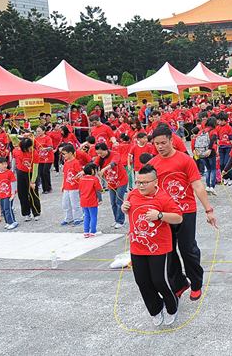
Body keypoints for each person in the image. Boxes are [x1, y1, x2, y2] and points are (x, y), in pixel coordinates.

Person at [147, 124, 218, 301]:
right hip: (165, 214)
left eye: (163, 142)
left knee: (188, 249)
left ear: (172, 140)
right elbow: (145, 189)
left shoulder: (185, 160)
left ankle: (196, 283)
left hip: (186, 211)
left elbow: (197, 185)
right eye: (157, 144)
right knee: (168, 252)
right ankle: (179, 284)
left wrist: (208, 210)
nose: (160, 146)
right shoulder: (152, 164)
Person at [121, 165, 183, 327]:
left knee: (159, 281)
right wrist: (124, 208)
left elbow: (178, 218)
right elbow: (129, 211)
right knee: (142, 281)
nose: (140, 186)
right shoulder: (133, 194)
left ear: (155, 182)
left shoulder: (163, 197)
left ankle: (172, 305)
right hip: (137, 246)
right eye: (138, 182)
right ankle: (155, 309)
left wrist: (160, 215)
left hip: (159, 247)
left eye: (145, 182)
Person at [95, 142, 129, 229]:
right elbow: (93, 165)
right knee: (113, 202)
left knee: (119, 201)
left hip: (121, 180)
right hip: (111, 182)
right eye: (98, 153)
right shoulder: (99, 158)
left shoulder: (115, 154)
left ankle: (121, 221)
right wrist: (84, 171)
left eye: (101, 153)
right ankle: (116, 219)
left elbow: (114, 163)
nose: (100, 155)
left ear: (106, 150)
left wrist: (104, 169)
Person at [59, 144, 83, 227]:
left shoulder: (76, 162)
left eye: (64, 154)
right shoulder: (66, 163)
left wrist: (81, 186)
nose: (63, 155)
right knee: (65, 203)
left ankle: (78, 218)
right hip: (67, 186)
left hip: (74, 187)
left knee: (75, 203)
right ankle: (68, 218)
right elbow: (65, 175)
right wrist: (63, 185)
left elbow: (80, 174)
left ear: (70, 153)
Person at [0, 158, 18, 230]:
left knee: (8, 208)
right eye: (2, 164)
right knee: (3, 209)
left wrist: (13, 193)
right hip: (1, 194)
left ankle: (12, 222)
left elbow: (13, 182)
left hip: (9, 194)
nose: (5, 165)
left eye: (5, 164)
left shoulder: (9, 172)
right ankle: (8, 222)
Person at [78, 162, 102, 237]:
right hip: (92, 201)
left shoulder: (81, 179)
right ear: (92, 170)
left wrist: (81, 198)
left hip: (83, 200)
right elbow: (98, 190)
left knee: (86, 216)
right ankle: (93, 231)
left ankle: (86, 231)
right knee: (93, 216)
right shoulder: (94, 179)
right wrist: (100, 199)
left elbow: (79, 191)